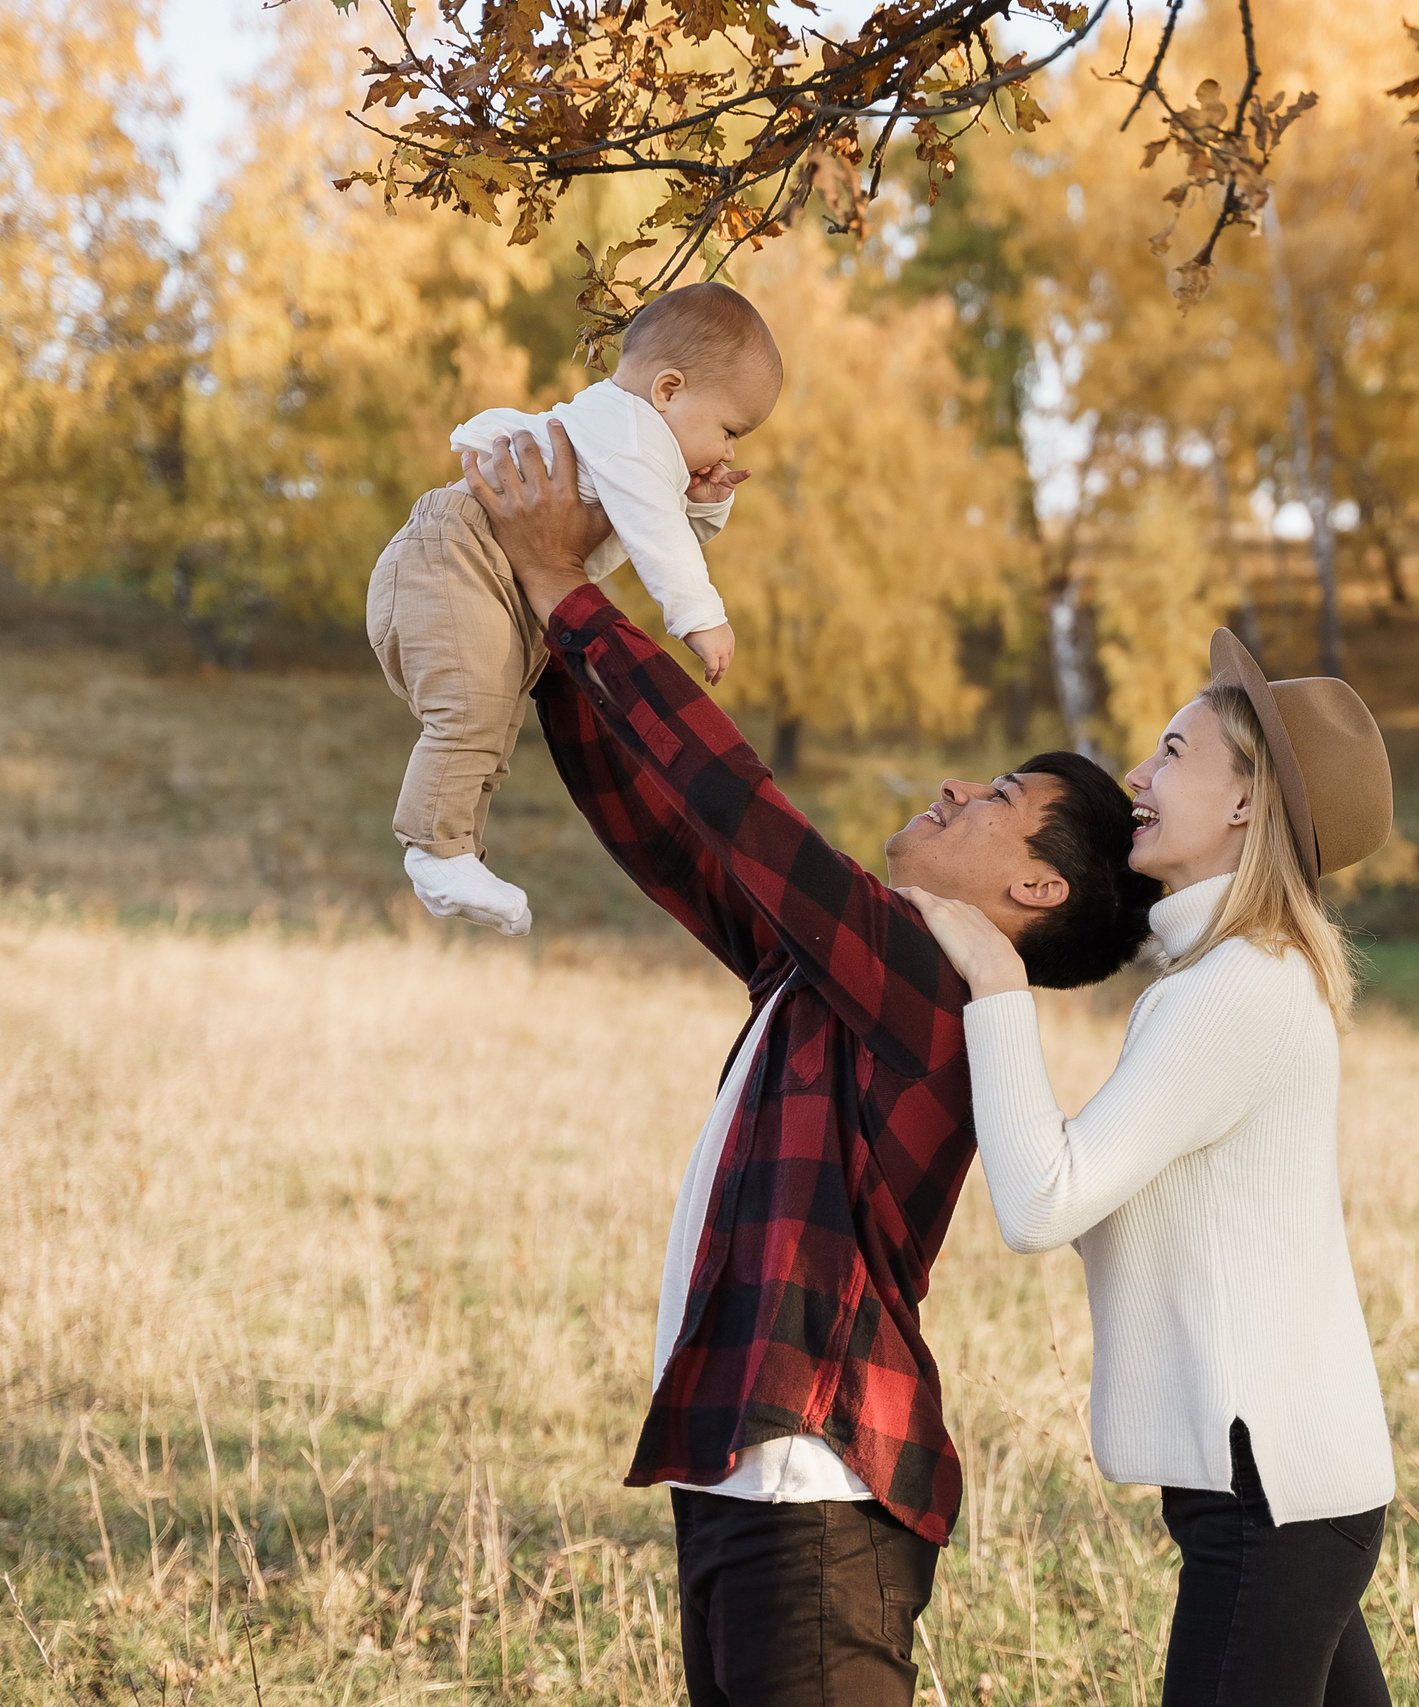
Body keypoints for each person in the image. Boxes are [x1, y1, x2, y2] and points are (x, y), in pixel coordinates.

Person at [455, 421, 1160, 1706]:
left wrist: (572, 593)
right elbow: (670, 830)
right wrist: (553, 616)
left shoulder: (927, 987)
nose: (956, 786)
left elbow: (737, 804)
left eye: (997, 794)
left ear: (1034, 882)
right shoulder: (844, 974)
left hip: (818, 1485)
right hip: (750, 1474)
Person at [902, 629, 1401, 1707]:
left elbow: (1041, 1204)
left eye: (1172, 752)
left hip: (1269, 1499)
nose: (1137, 773)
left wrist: (996, 976)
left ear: (1241, 805)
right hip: (1292, 1490)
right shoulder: (1237, 977)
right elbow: (1100, 1196)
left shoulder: (1236, 989)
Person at [365, 283, 779, 938]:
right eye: (729, 431)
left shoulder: (641, 451)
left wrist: (705, 496)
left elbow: (673, 528)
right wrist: (702, 617)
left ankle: (456, 850)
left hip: (495, 575)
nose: (730, 451)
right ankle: (434, 846)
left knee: (492, 721)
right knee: (471, 708)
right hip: (456, 553)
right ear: (668, 390)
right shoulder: (630, 427)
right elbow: (659, 538)